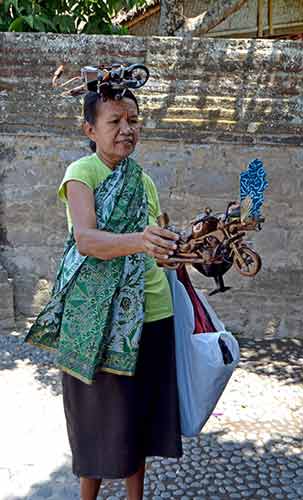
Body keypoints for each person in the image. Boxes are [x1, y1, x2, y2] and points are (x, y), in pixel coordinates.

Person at [25, 87, 183, 500]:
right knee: (97, 422)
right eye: (115, 122)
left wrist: (184, 252)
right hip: (101, 321)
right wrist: (143, 240)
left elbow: (155, 245)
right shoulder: (82, 173)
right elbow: (88, 241)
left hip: (152, 312)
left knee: (140, 421)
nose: (126, 129)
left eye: (133, 120)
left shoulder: (142, 179)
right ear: (90, 129)